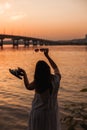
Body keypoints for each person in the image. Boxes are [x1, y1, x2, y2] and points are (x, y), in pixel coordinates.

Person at [18, 48, 61, 130]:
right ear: (48, 69)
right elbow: (56, 68)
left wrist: (24, 74)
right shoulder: (56, 79)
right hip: (52, 114)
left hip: (38, 114)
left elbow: (28, 86)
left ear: (37, 72)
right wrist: (47, 56)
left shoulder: (38, 82)